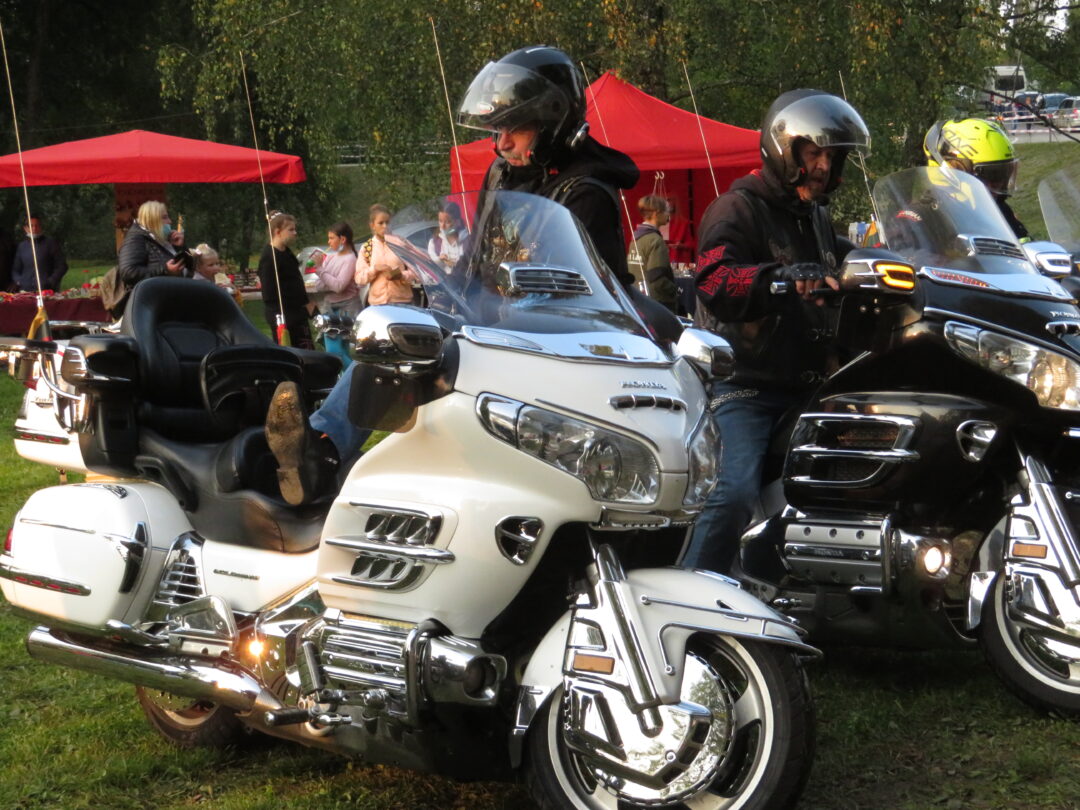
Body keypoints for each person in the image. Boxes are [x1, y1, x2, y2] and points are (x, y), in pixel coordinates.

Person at [264, 45, 677, 505]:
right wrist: (441, 290)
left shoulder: (586, 191)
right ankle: (319, 452)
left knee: (421, 350)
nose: (502, 144)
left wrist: (485, 312)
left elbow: (571, 295)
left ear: (552, 121)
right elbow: (476, 260)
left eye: (514, 129)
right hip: (496, 328)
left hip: (555, 346)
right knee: (396, 334)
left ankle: (329, 455)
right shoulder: (505, 175)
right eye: (497, 130)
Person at [683, 89, 871, 575]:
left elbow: (844, 267)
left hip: (812, 387)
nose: (823, 166)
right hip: (746, 385)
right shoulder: (736, 208)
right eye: (814, 154)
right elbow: (714, 280)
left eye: (832, 156)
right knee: (731, 493)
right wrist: (777, 279)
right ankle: (689, 594)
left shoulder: (816, 217)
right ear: (784, 150)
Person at [923, 118, 1028, 242]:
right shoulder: (921, 218)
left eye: (1004, 173)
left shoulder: (998, 210)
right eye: (992, 174)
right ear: (952, 171)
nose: (998, 184)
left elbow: (1024, 244)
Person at [115, 201, 188, 314]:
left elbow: (189, 267)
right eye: (165, 217)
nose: (170, 221)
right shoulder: (136, 239)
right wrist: (165, 270)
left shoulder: (160, 239)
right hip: (150, 306)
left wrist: (180, 247)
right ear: (152, 220)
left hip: (168, 302)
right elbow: (128, 272)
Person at [258, 211, 314, 350]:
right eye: (291, 230)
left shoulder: (287, 252)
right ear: (278, 232)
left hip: (298, 314)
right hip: (284, 315)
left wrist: (306, 304)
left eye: (295, 229)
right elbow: (269, 295)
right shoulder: (269, 257)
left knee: (307, 352)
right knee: (291, 353)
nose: (295, 233)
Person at [314, 220, 361, 366]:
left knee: (340, 351)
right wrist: (322, 271)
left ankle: (352, 376)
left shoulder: (350, 259)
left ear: (343, 239)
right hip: (330, 309)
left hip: (347, 310)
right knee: (335, 351)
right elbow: (320, 285)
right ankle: (351, 377)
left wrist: (320, 270)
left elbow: (339, 286)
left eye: (331, 238)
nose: (328, 242)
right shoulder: (331, 257)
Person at [355, 204, 417, 305]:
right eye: (381, 223)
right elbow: (359, 278)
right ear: (372, 225)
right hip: (378, 304)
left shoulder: (400, 243)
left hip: (402, 302)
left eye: (387, 222)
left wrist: (402, 275)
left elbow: (416, 270)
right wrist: (374, 269)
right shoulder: (367, 248)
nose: (385, 226)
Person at [628, 195, 679, 313]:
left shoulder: (635, 238)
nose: (669, 215)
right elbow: (657, 279)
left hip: (638, 299)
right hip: (657, 304)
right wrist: (675, 290)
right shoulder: (655, 240)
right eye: (666, 211)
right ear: (656, 213)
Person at [11, 214, 67, 292]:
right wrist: (20, 281)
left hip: (46, 291)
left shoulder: (51, 243)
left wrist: (50, 281)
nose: (34, 228)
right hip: (25, 291)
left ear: (41, 227)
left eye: (37, 225)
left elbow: (62, 266)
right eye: (31, 226)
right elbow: (15, 270)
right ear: (25, 228)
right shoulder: (22, 246)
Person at [427, 202, 469, 272]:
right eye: (440, 221)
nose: (442, 226)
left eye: (447, 222)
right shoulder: (434, 242)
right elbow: (431, 266)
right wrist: (439, 260)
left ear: (457, 222)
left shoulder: (469, 240)